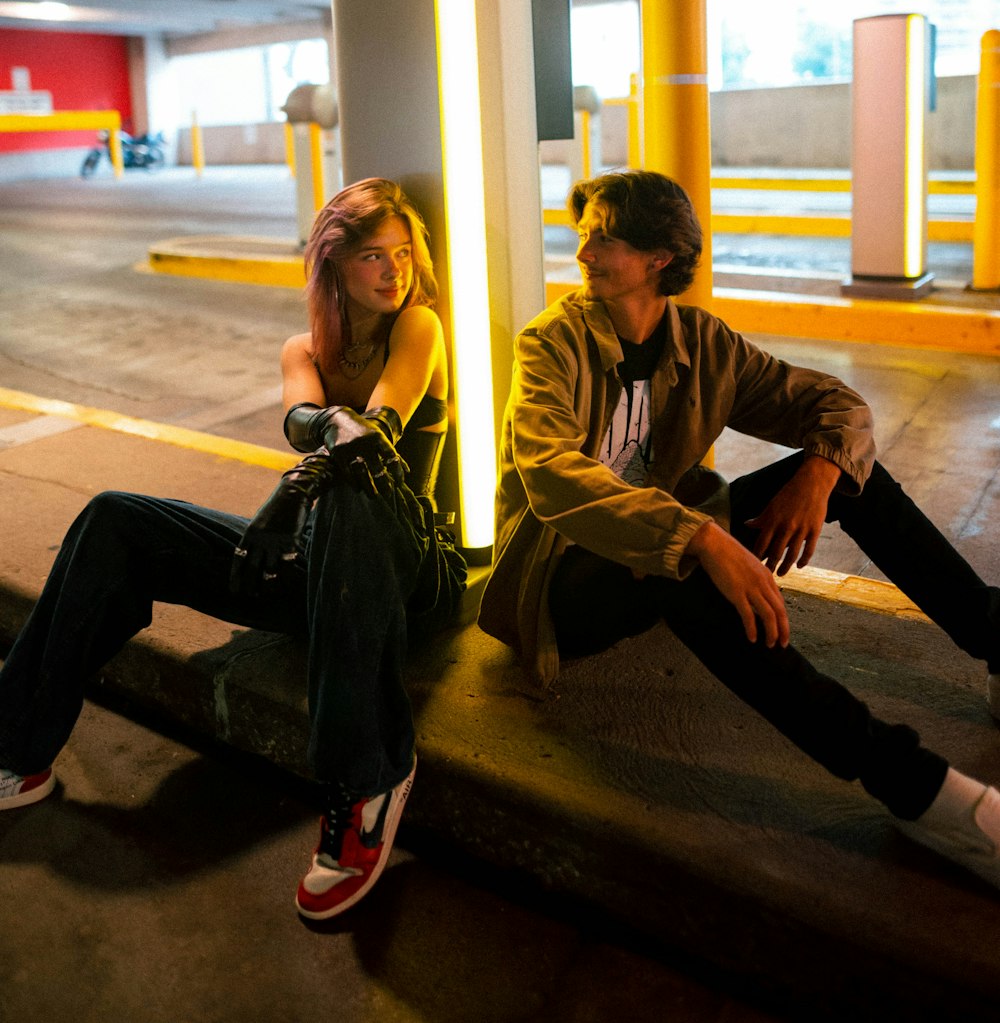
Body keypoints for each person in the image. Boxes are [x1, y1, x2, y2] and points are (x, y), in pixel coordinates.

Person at [479, 168, 1000, 890]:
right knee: (686, 562)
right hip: (558, 585)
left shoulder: (702, 343)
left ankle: (994, 638)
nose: (585, 251)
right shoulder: (552, 344)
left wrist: (817, 474)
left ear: (661, 256)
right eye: (585, 233)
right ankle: (916, 788)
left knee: (853, 476)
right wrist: (701, 538)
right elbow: (552, 475)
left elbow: (836, 406)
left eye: (605, 237)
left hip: (658, 552)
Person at [0, 177, 466, 920]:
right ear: (334, 268)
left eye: (403, 252)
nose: (394, 270)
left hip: (411, 570)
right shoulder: (304, 347)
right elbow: (303, 418)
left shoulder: (421, 328)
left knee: (350, 484)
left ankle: (367, 779)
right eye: (373, 256)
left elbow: (374, 430)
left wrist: (290, 494)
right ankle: (17, 746)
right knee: (115, 518)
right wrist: (296, 487)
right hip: (320, 568)